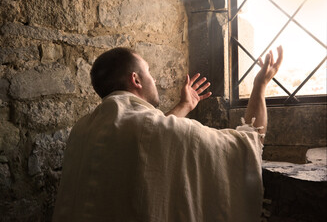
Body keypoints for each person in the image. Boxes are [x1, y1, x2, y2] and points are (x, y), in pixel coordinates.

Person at [53, 46, 283, 222]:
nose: (153, 79)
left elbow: (149, 137)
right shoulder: (150, 129)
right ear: (136, 79)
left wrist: (184, 106)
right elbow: (249, 144)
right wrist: (260, 86)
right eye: (149, 72)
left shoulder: (83, 129)